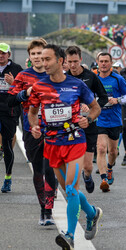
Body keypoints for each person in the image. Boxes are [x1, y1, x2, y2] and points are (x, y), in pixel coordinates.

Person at [28, 44, 103, 248]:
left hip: (75, 141)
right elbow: (33, 113)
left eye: (47, 60)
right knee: (68, 190)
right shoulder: (39, 87)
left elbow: (96, 108)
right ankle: (92, 213)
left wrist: (88, 119)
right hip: (52, 144)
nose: (44, 63)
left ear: (60, 61)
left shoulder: (77, 85)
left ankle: (69, 235)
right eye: (42, 60)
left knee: (71, 188)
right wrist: (35, 128)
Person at [8, 38, 57, 225]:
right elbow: (10, 101)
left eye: (40, 54)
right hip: (32, 128)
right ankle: (42, 205)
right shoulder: (23, 76)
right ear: (30, 56)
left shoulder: (55, 74)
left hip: (54, 129)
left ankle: (48, 211)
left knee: (49, 168)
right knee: (38, 170)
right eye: (34, 54)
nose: (37, 57)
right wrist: (25, 93)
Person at [65, 45, 108, 193]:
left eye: (75, 61)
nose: (73, 65)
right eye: (70, 62)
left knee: (88, 166)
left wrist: (91, 109)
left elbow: (103, 97)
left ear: (80, 59)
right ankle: (71, 187)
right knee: (70, 162)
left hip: (88, 123)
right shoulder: (63, 77)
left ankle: (87, 176)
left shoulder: (91, 76)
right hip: (69, 125)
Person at [96, 52, 126, 192]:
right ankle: (104, 178)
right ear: (98, 63)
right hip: (99, 119)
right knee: (101, 148)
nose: (103, 64)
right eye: (101, 61)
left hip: (115, 119)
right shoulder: (94, 79)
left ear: (110, 63)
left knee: (113, 152)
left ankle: (109, 167)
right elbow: (87, 95)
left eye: (106, 61)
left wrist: (118, 100)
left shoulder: (118, 79)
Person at [0, 42, 22, 192]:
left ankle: (8, 177)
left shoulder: (17, 69)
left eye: (3, 53)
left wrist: (13, 83)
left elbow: (24, 91)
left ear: (8, 55)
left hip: (9, 111)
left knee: (7, 146)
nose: (0, 56)